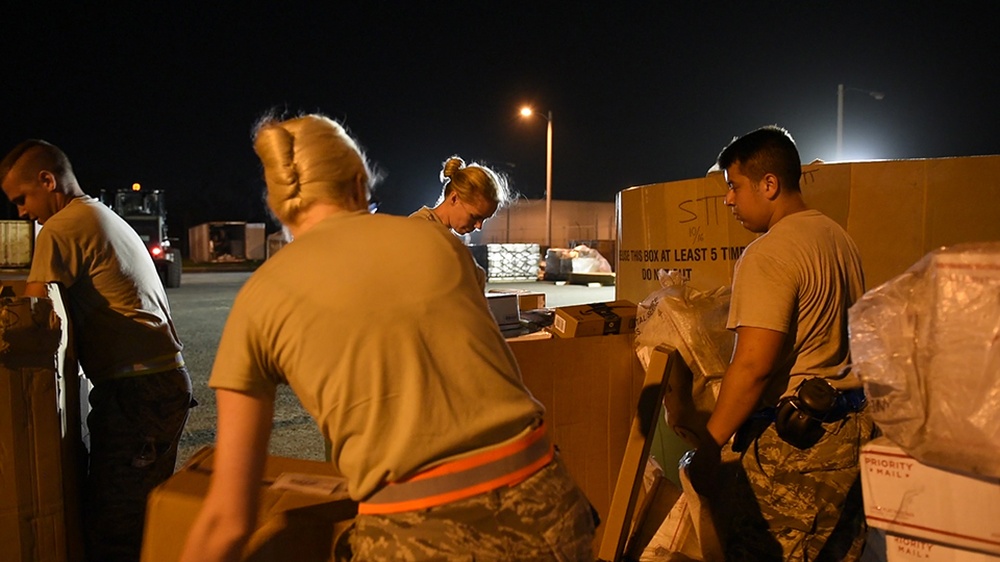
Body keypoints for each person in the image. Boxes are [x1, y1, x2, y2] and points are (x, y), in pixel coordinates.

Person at [179, 113, 595, 562]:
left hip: (423, 531)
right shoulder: (443, 248)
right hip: (549, 501)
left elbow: (228, 520)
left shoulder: (259, 298)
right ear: (359, 182)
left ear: (277, 204)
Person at [685, 125, 874, 561]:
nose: (728, 199)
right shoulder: (837, 239)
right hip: (847, 439)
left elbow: (754, 367)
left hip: (795, 451)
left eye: (734, 187)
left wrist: (710, 447)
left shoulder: (769, 253)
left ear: (769, 184)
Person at [0, 140, 194, 562]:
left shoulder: (62, 227)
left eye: (22, 199)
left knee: (115, 529)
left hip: (137, 390)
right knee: (142, 516)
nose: (20, 213)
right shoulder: (101, 215)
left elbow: (31, 316)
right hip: (158, 383)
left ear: (47, 180)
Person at [411, 155, 510, 235]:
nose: (479, 226)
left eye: (484, 219)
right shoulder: (419, 230)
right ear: (454, 198)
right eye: (474, 216)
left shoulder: (440, 233)